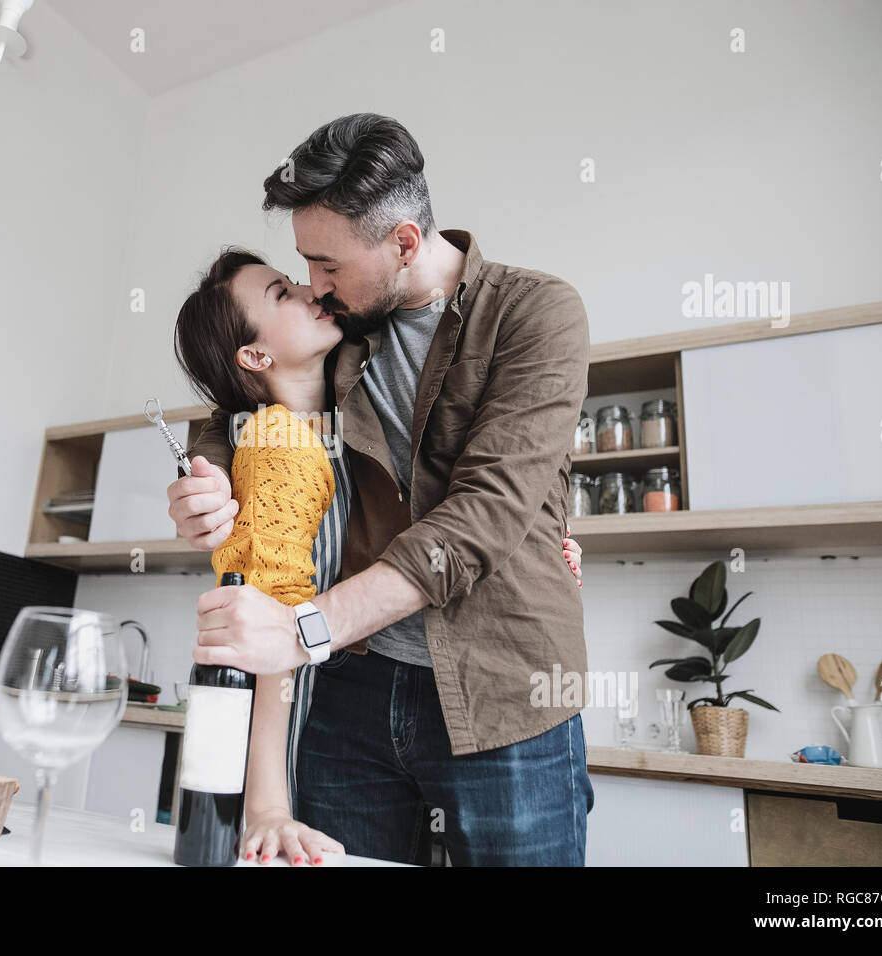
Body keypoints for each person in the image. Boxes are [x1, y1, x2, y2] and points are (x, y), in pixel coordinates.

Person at [169, 113, 595, 866]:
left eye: (326, 265)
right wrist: (204, 483)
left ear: (403, 241)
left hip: (503, 693)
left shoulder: (535, 313)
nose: (314, 285)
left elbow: (485, 515)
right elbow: (247, 400)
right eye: (303, 266)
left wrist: (302, 630)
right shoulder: (341, 330)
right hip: (353, 696)